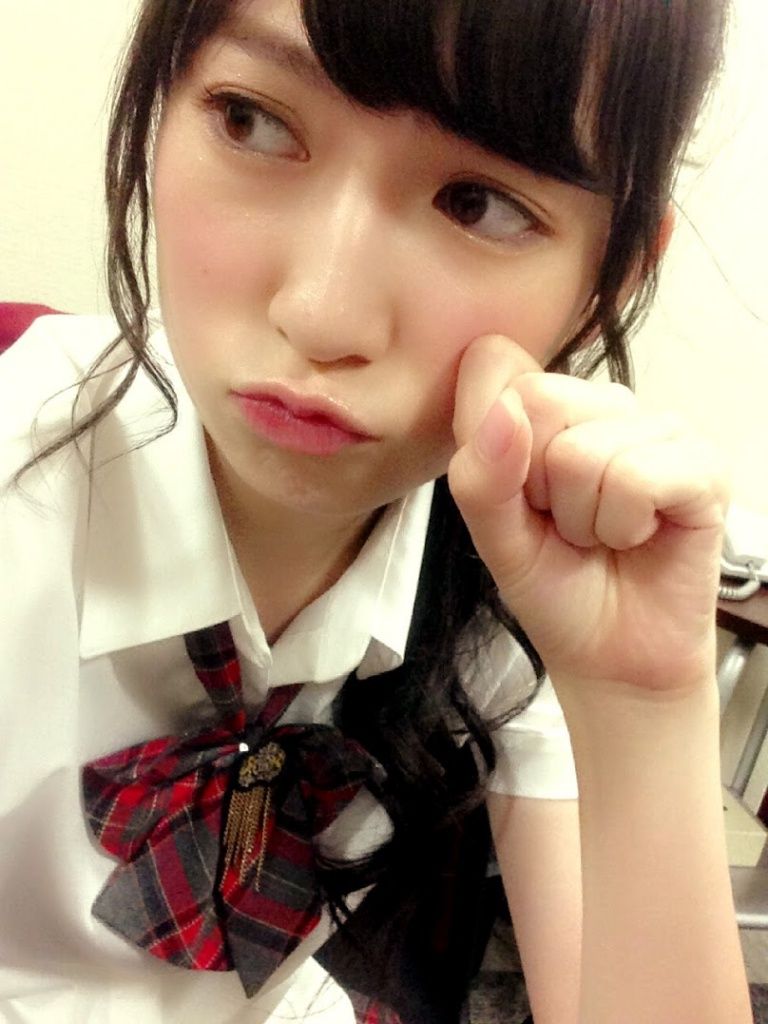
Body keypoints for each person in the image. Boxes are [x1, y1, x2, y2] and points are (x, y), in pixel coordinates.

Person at [0, 0, 753, 1021]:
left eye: (478, 203)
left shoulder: (503, 564)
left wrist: (645, 702)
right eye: (253, 121)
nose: (323, 314)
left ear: (607, 280)